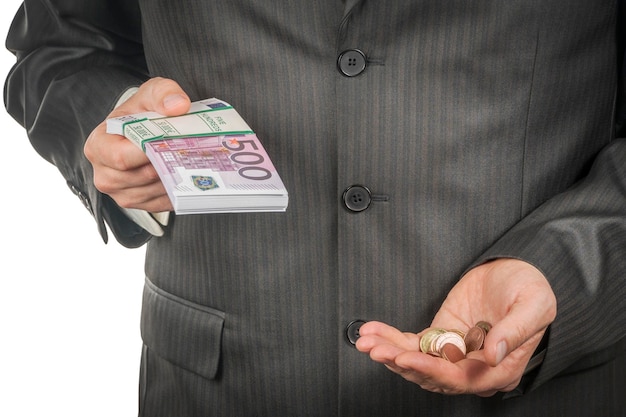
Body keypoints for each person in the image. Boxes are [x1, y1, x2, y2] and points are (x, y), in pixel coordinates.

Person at [4, 1, 626, 416]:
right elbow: (60, 46)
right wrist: (115, 133)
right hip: (219, 388)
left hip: (545, 388)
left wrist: (566, 270)